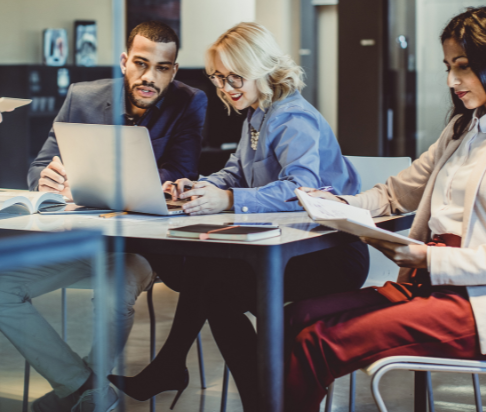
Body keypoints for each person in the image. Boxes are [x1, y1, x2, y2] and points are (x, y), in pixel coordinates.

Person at [284, 5, 486, 411]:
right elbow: (396, 192)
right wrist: (341, 203)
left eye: (464, 66)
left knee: (318, 341)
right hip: (423, 288)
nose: (453, 81)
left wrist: (426, 256)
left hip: (479, 306)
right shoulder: (460, 129)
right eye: (449, 67)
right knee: (295, 317)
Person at [108, 22, 365, 411]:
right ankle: (181, 371)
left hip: (328, 254)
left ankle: (233, 392)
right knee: (208, 276)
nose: (225, 88)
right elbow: (235, 171)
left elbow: (302, 190)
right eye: (217, 78)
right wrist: (195, 186)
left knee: (215, 288)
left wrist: (227, 199)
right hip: (287, 248)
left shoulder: (294, 118)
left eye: (234, 77)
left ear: (262, 68)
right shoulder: (257, 115)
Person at [0, 21, 207, 412]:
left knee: (116, 294)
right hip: (79, 240)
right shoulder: (82, 97)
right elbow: (40, 166)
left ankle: (85, 390)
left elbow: (180, 172)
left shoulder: (189, 101)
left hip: (141, 248)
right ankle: (86, 386)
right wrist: (45, 179)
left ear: (174, 70)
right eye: (140, 63)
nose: (149, 77)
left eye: (162, 68)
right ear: (123, 61)